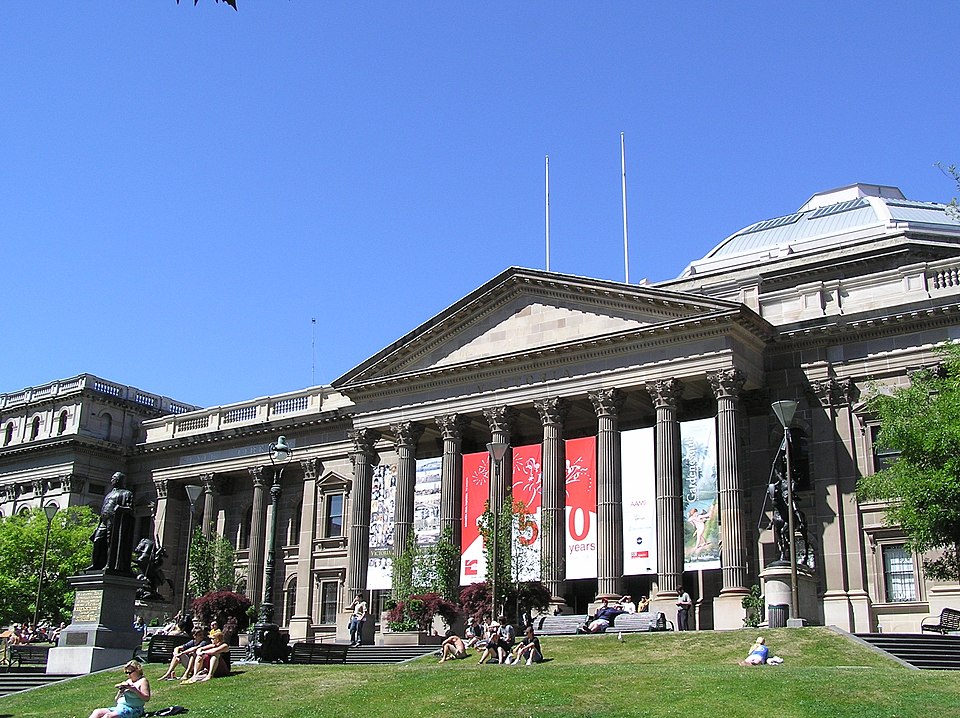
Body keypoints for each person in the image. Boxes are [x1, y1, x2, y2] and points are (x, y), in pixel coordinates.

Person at [86, 472, 135, 572]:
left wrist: (121, 508)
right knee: (98, 541)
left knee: (111, 543)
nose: (112, 480)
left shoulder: (126, 493)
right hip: (103, 521)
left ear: (119, 480)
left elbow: (131, 509)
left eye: (114, 478)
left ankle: (110, 565)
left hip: (115, 522)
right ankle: (96, 564)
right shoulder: (109, 494)